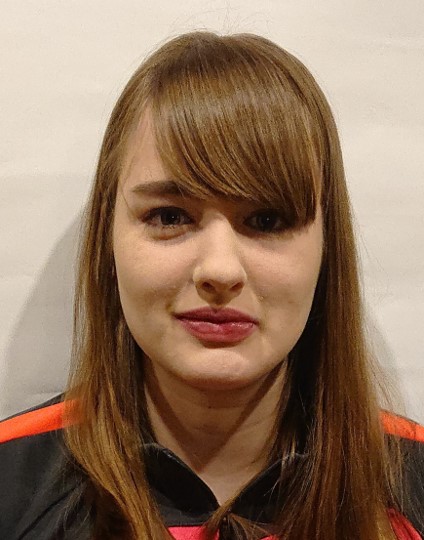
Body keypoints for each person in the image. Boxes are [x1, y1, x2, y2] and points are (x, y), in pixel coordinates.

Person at [0, 31, 423, 540]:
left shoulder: (413, 486)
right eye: (170, 216)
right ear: (106, 243)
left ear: (327, 249)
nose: (220, 270)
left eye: (266, 220)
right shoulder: (11, 487)